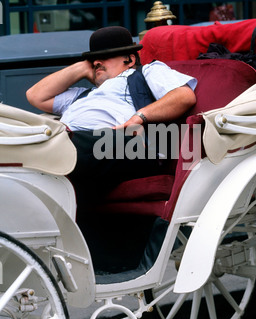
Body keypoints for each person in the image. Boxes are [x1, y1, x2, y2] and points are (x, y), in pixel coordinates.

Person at [26, 26, 197, 211]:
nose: (96, 64)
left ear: (130, 59)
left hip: (128, 144)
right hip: (81, 143)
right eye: (93, 60)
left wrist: (139, 117)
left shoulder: (146, 72)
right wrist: (84, 67)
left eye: (105, 57)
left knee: (55, 146)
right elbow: (35, 95)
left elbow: (184, 96)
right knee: (37, 144)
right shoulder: (85, 95)